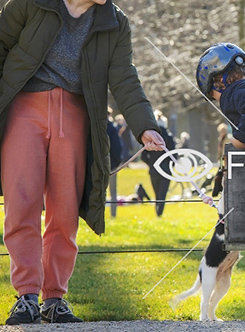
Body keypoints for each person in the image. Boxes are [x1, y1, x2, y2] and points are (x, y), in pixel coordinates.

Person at [0, 0, 165, 325]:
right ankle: (27, 296)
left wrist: (145, 126)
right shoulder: (31, 3)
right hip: (24, 108)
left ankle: (55, 299)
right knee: (22, 203)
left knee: (65, 209)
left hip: (76, 115)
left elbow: (124, 78)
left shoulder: (114, 22)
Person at [141, 110, 176, 217]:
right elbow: (174, 155)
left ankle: (157, 211)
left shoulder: (150, 138)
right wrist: (170, 165)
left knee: (156, 192)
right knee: (163, 193)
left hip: (154, 169)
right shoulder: (169, 138)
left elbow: (143, 155)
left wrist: (150, 163)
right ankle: (159, 212)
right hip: (166, 170)